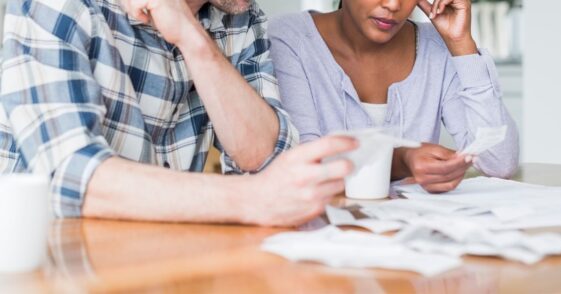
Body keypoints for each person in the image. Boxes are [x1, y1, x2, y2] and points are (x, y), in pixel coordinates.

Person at [0, 0, 357, 227]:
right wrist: (250, 199)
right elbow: (73, 178)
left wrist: (192, 37)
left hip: (155, 260)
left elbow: (268, 161)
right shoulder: (56, 4)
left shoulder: (242, 19)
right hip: (44, 264)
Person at [269, 0, 519, 193]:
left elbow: (499, 162)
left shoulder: (437, 46)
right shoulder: (291, 38)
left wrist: (461, 44)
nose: (393, 5)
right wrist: (400, 160)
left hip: (415, 242)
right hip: (323, 241)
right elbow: (303, 166)